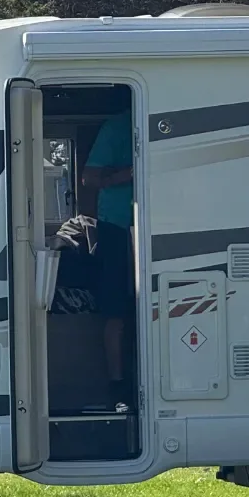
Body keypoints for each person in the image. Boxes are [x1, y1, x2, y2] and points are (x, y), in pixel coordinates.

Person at [81, 110, 134, 384]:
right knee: (116, 312)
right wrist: (129, 173)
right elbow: (88, 178)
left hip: (164, 226)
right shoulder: (115, 127)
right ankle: (117, 385)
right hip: (116, 227)